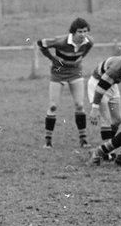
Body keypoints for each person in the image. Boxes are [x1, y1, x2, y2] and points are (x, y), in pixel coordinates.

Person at [37, 17, 93, 148]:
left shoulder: (89, 42)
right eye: (80, 31)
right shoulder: (61, 41)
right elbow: (41, 43)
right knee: (53, 106)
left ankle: (83, 140)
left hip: (75, 73)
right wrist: (52, 58)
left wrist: (80, 58)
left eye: (85, 31)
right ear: (73, 32)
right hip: (58, 73)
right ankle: (48, 141)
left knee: (80, 105)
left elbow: (86, 50)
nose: (83, 34)